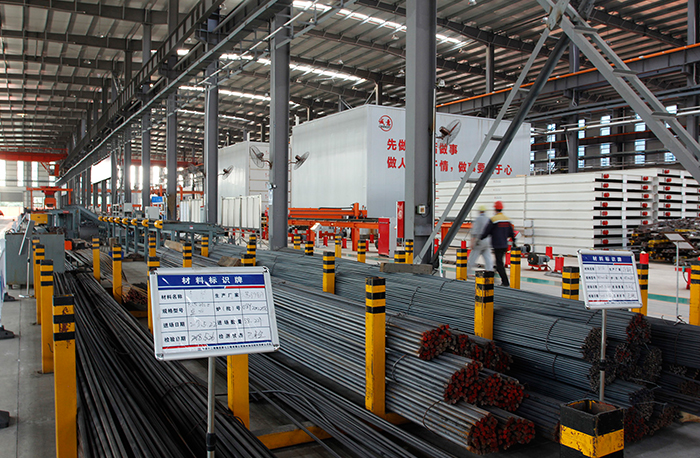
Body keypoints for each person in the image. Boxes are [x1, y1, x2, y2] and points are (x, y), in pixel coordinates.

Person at [481, 201, 516, 286]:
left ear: (495, 209)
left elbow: (487, 231)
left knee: (499, 263)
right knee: (499, 261)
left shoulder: (493, 219)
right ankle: (495, 276)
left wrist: (480, 238)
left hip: (497, 245)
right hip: (504, 245)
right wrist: (514, 241)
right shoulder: (507, 219)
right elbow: (511, 232)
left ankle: (505, 282)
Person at [467, 205, 493, 277]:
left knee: (472, 258)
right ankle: (489, 272)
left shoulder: (478, 219)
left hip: (479, 241)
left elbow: (475, 231)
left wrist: (472, 242)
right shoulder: (488, 219)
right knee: (488, 258)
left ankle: (467, 272)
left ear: (479, 212)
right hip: (487, 241)